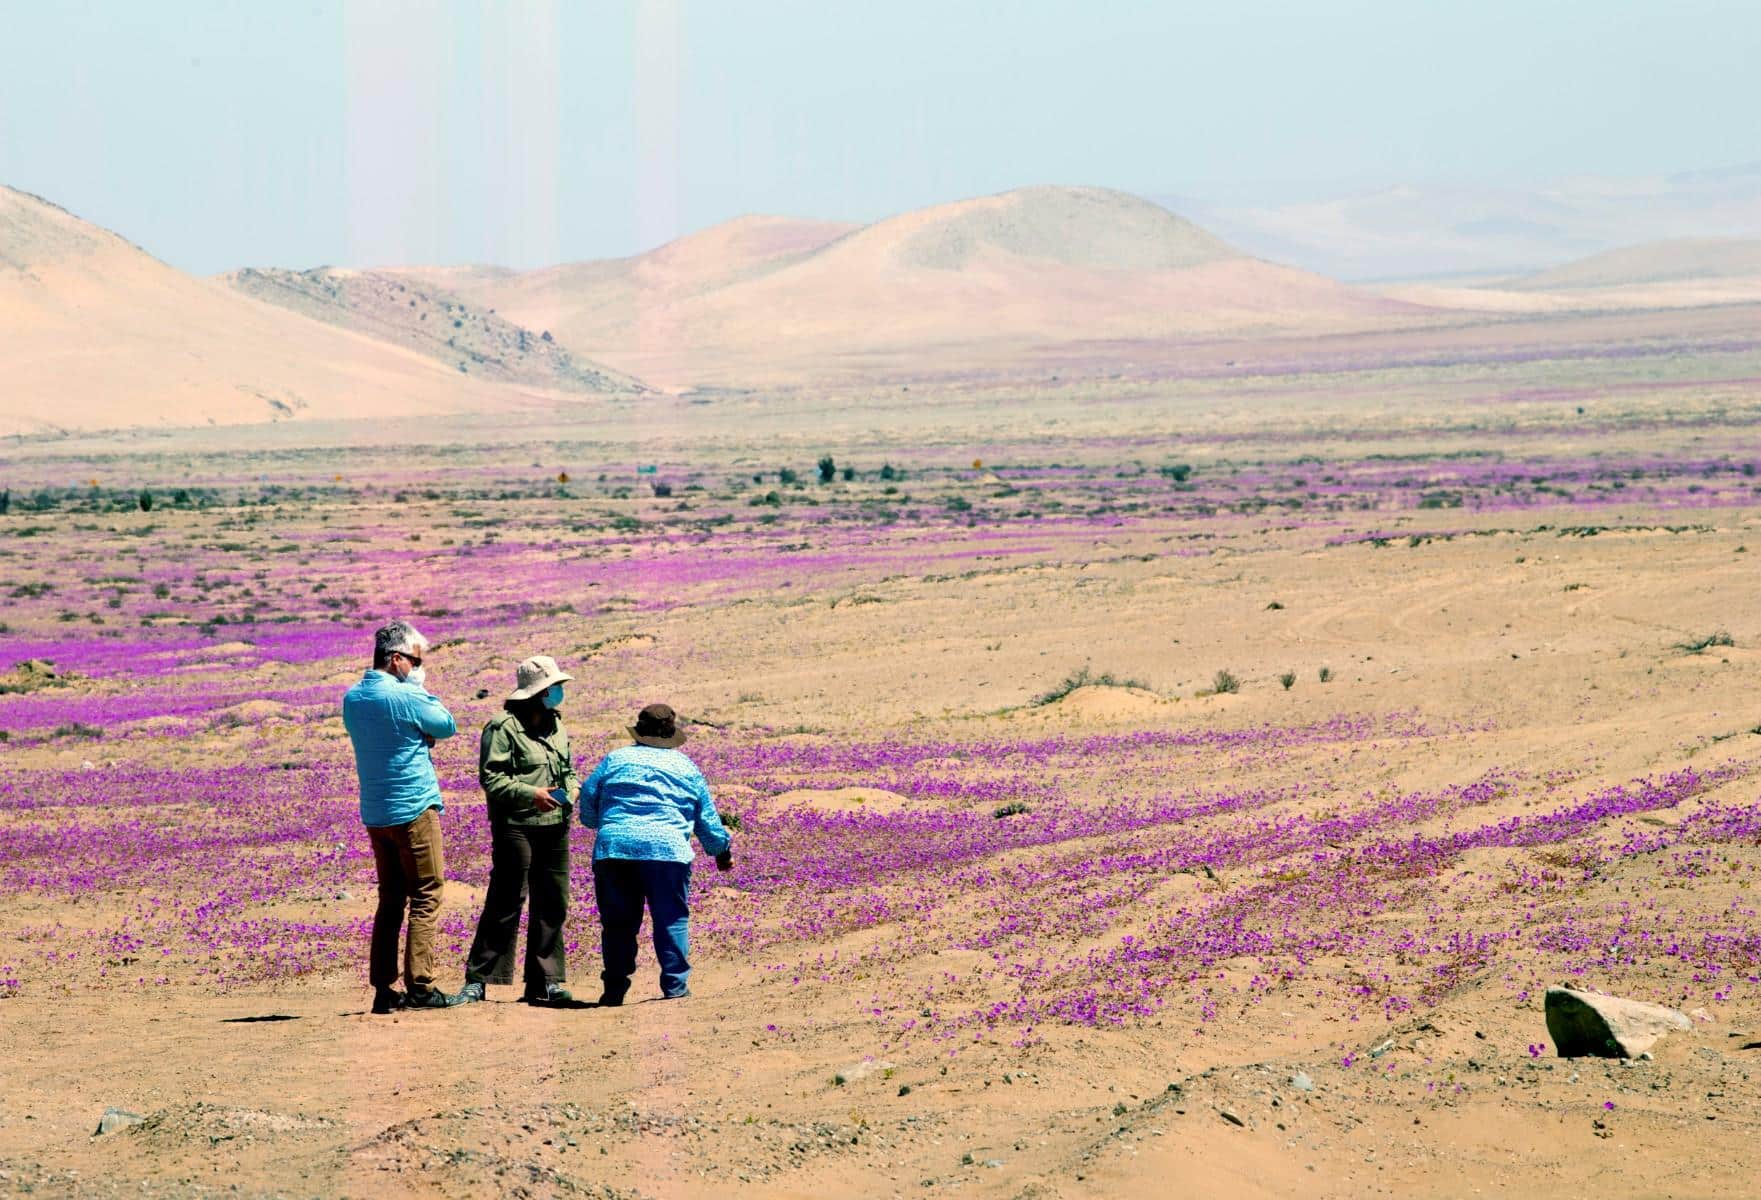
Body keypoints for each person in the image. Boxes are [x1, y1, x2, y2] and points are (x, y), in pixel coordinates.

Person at [341, 620, 461, 1014]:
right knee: (427, 893)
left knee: (390, 898)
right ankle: (421, 986)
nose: (418, 666)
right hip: (413, 808)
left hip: (376, 812)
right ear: (396, 659)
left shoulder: (353, 697)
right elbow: (446, 725)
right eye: (415, 660)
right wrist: (417, 688)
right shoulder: (405, 696)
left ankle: (382, 988)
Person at [577, 703, 733, 1005]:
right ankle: (675, 988)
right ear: (671, 732)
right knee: (671, 919)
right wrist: (721, 851)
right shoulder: (686, 767)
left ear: (639, 730)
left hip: (615, 849)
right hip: (667, 852)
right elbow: (707, 819)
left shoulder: (615, 759)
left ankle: (614, 987)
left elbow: (588, 795)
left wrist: (600, 823)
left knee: (618, 923)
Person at [455, 656, 580, 1007]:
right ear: (538, 692)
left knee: (553, 901)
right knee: (506, 900)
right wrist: (532, 794)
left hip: (555, 825)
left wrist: (571, 789)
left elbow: (568, 769)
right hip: (516, 827)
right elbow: (492, 778)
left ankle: (546, 981)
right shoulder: (502, 727)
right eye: (553, 688)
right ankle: (479, 979)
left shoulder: (557, 725)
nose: (559, 693)